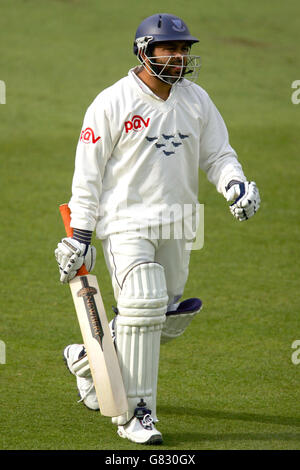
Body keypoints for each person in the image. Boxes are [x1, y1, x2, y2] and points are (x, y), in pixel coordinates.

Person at [55, 13, 261, 445]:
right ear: (145, 51)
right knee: (143, 304)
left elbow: (218, 153)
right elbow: (87, 176)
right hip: (127, 222)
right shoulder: (112, 102)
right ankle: (136, 414)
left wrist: (234, 184)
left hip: (181, 222)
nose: (181, 57)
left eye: (185, 49)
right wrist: (81, 234)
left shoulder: (196, 100)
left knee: (161, 318)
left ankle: (86, 362)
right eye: (171, 48)